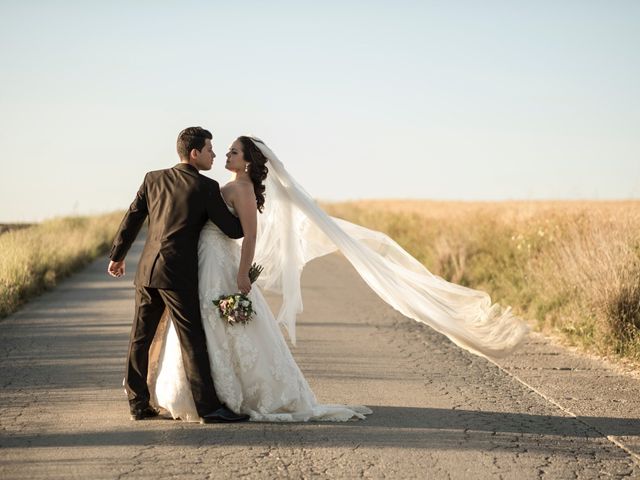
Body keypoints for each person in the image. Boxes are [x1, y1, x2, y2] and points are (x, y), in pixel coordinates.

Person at [148, 135, 529, 422]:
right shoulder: (224, 187)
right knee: (207, 326)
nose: (227, 155)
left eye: (233, 151)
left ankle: (239, 396)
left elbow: (249, 234)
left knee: (226, 327)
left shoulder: (240, 188)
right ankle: (205, 395)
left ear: (247, 163)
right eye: (225, 150)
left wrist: (243, 274)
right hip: (209, 263)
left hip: (225, 266)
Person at [108, 127, 251, 424]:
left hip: (147, 270)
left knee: (139, 338)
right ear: (194, 152)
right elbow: (233, 230)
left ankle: (137, 405)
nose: (214, 154)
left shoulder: (153, 178)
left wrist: (118, 256)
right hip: (178, 275)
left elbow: (132, 217)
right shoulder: (206, 187)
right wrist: (246, 202)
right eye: (210, 149)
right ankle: (209, 408)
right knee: (192, 340)